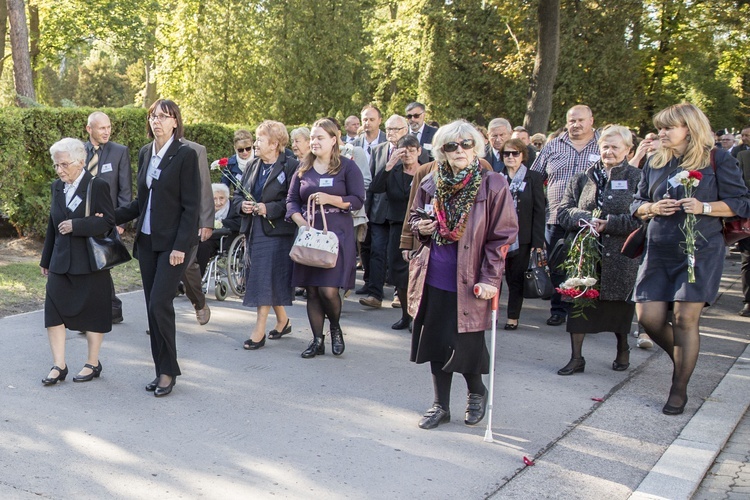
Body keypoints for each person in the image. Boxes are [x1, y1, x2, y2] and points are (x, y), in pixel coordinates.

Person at [631, 102, 750, 415]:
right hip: (658, 247)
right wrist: (651, 208)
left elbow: (741, 203)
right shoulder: (655, 161)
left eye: (669, 127)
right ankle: (685, 358)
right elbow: (637, 202)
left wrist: (704, 207)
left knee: (685, 319)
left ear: (689, 128)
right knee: (649, 318)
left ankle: (678, 389)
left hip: (700, 249)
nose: (662, 133)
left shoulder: (717, 159)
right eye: (661, 127)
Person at [407, 120, 518, 430]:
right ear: (441, 151)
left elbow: (503, 235)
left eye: (466, 144)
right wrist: (422, 228)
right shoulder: (431, 181)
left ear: (476, 147)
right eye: (451, 146)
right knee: (436, 342)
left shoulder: (492, 183)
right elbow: (415, 218)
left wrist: (490, 278)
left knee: (466, 342)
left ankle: (476, 392)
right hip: (434, 274)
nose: (459, 150)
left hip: (471, 277)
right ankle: (440, 405)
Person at [115, 99, 201, 397]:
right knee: (152, 310)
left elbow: (191, 208)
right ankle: (159, 369)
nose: (157, 121)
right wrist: (109, 217)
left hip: (173, 246)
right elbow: (141, 203)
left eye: (164, 116)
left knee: (159, 304)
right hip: (148, 242)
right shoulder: (144, 153)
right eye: (153, 116)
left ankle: (169, 371)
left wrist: (180, 246)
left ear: (176, 122)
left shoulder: (185, 155)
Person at [555, 125, 642, 375]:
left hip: (621, 254)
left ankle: (623, 348)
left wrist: (610, 224)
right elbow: (564, 211)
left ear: (628, 150)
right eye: (605, 146)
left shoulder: (637, 178)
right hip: (585, 254)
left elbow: (640, 218)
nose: (609, 151)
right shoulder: (583, 177)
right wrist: (585, 218)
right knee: (579, 304)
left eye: (615, 147)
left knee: (618, 308)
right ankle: (576, 358)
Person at [286, 118, 365, 358]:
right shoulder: (302, 169)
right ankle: (317, 340)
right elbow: (291, 201)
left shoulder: (347, 167)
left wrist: (331, 200)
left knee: (328, 291)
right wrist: (301, 222)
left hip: (336, 235)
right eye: (312, 137)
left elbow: (358, 199)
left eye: (320, 137)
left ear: (334, 139)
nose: (314, 142)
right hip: (310, 237)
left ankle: (335, 327)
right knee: (311, 290)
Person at [40, 138, 116, 385]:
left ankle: (92, 363)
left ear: (81, 162)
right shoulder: (57, 187)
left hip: (89, 262)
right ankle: (58, 365)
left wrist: (77, 225)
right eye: (56, 165)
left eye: (64, 164)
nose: (60, 170)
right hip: (61, 261)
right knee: (53, 313)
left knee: (93, 313)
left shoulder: (97, 186)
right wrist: (46, 259)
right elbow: (53, 225)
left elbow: (107, 223)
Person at [532, 105, 600, 327]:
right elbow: (534, 178)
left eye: (581, 120)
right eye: (572, 121)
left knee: (588, 264)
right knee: (558, 266)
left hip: (592, 220)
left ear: (591, 121)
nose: (576, 125)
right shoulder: (553, 146)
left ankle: (584, 308)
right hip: (556, 218)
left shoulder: (602, 145)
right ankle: (559, 309)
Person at [236, 121, 299, 350]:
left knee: (263, 277)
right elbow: (237, 194)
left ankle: (259, 330)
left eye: (260, 140)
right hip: (254, 228)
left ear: (274, 144)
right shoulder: (253, 165)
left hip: (277, 232)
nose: (255, 144)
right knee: (266, 276)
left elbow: (293, 201)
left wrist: (268, 208)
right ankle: (283, 320)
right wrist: (242, 205)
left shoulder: (290, 166)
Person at [84, 111, 132, 325]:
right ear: (89, 129)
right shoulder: (78, 151)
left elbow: (125, 190)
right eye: (102, 128)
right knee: (89, 264)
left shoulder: (119, 152)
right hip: (84, 220)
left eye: (109, 127)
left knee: (103, 264)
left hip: (109, 220)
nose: (107, 131)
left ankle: (109, 308)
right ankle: (108, 307)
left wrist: (121, 222)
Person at [370, 134, 421, 330]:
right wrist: (389, 164)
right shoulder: (394, 170)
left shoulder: (427, 170)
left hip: (421, 227)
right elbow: (375, 188)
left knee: (420, 273)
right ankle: (406, 315)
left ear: (419, 151)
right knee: (399, 273)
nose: (407, 154)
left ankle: (419, 316)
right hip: (398, 226)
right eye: (403, 150)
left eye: (411, 150)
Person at [359, 114, 409, 309]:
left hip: (400, 213)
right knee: (377, 252)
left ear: (405, 131)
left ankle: (399, 293)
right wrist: (367, 212)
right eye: (389, 129)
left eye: (397, 129)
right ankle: (375, 293)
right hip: (379, 211)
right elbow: (372, 183)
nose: (392, 133)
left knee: (398, 254)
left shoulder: (413, 151)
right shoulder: (378, 150)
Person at [498, 138, 545, 330]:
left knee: (515, 278)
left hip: (522, 238)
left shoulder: (533, 178)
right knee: (493, 278)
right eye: (506, 154)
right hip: (498, 237)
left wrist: (538, 242)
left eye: (514, 153)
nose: (510, 157)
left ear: (522, 156)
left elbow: (539, 211)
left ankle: (512, 316)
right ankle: (490, 314)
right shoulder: (496, 177)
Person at [180, 137, 214, 326]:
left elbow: (204, 187)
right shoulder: (149, 150)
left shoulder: (195, 150)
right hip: (159, 224)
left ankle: (199, 302)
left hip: (188, 220)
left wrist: (206, 222)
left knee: (186, 266)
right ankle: (160, 318)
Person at [196, 183, 241, 277]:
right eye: (214, 198)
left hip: (225, 240)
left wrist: (222, 223)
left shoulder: (234, 207)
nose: (218, 202)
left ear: (227, 197)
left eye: (221, 198)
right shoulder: (205, 208)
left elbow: (239, 223)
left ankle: (197, 279)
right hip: (205, 237)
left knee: (203, 248)